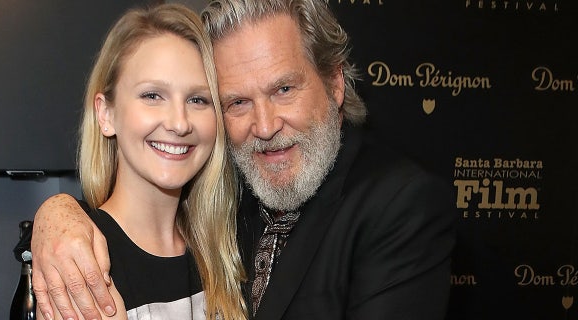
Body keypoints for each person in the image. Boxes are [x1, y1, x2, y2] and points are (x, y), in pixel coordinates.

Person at [32, 0, 456, 319]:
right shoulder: (233, 202)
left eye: (283, 89)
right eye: (237, 101)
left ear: (335, 83)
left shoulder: (400, 206)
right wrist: (55, 214)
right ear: (105, 113)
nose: (265, 125)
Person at [35, 3, 248, 320]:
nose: (179, 123)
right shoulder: (81, 265)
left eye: (198, 99)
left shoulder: (230, 246)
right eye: (152, 95)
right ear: (106, 114)